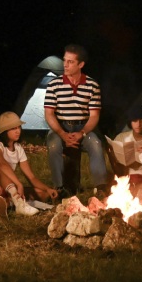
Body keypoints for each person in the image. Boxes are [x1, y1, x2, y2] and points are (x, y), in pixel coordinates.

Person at [44, 44, 110, 197]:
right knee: (54, 145)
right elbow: (49, 114)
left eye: (70, 62)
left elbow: (94, 116)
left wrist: (82, 132)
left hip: (82, 126)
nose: (65, 65)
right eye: (64, 60)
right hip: (60, 126)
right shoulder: (54, 84)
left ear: (81, 64)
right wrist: (62, 134)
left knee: (96, 143)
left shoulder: (92, 85)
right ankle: (59, 188)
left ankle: (101, 188)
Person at [0, 112, 57, 216]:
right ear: (4, 131)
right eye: (13, 129)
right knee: (2, 170)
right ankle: (18, 204)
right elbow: (2, 164)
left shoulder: (18, 148)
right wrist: (18, 184)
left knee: (42, 193)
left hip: (7, 187)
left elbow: (31, 177)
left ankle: (10, 202)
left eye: (19, 127)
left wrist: (47, 189)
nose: (18, 131)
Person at [105, 105, 142, 195]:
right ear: (130, 122)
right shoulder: (122, 137)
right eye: (135, 121)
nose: (138, 124)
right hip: (125, 176)